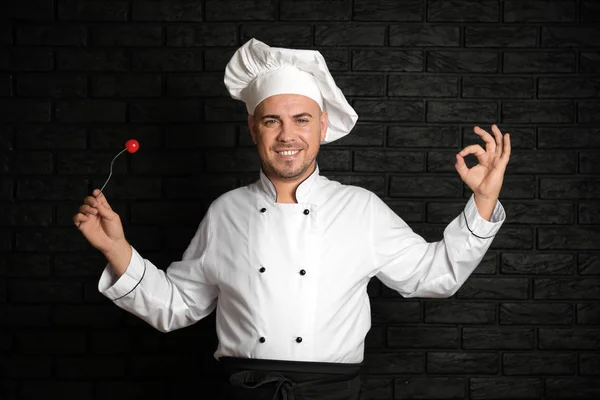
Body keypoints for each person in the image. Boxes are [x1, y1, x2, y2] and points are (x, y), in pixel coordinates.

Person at [73, 38, 510, 399]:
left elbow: (436, 276)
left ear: (322, 126)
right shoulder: (226, 211)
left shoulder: (361, 209)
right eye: (272, 121)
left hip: (332, 394)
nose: (287, 136)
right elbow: (177, 306)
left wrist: (484, 201)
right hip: (245, 390)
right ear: (252, 128)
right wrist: (116, 248)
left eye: (301, 120)